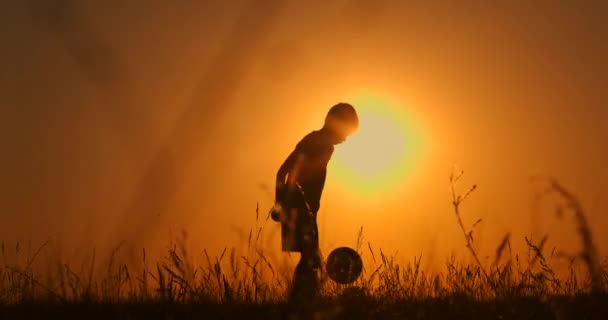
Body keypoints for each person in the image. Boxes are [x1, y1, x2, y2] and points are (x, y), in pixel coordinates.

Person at [271, 102, 359, 307]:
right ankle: (298, 304)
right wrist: (280, 205)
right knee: (311, 260)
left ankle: (300, 303)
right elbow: (283, 172)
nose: (345, 140)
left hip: (305, 210)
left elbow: (283, 173)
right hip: (299, 209)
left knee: (311, 259)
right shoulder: (318, 143)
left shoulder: (318, 143)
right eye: (346, 133)